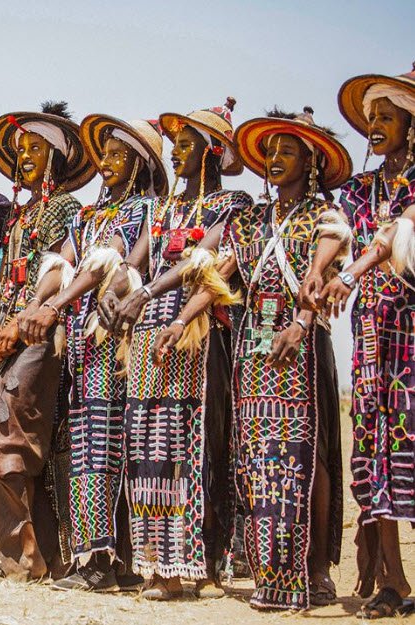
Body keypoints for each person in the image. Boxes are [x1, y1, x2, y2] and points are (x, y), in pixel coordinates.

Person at [157, 108, 351, 609]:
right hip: (253, 355)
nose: (275, 159)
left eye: (288, 151)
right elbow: (221, 278)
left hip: (300, 349)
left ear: (311, 161)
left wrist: (302, 319)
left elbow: (329, 251)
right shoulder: (249, 221)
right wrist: (181, 320)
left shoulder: (321, 216)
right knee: (258, 464)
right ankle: (271, 574)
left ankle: (314, 571)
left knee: (310, 459)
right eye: (271, 151)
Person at [107, 99, 253, 599]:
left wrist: (148, 293)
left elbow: (205, 261)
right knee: (145, 446)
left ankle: (188, 566)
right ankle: (154, 563)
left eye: (186, 145)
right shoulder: (164, 209)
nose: (176, 155)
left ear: (212, 153)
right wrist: (115, 288)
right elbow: (134, 263)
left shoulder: (233, 207)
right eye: (174, 146)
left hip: (195, 335)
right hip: (148, 338)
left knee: (189, 446)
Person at [18, 115, 167, 591]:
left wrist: (56, 305)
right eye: (103, 154)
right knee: (81, 448)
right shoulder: (84, 215)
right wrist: (36, 303)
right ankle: (91, 559)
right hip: (83, 346)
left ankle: (110, 563)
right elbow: (62, 263)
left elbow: (113, 260)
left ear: (139, 162)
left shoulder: (145, 210)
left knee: (111, 446)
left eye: (117, 155)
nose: (106, 163)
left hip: (118, 343)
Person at [0, 102, 94, 580]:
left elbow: (56, 274)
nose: (25, 157)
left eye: (36, 149)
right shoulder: (20, 215)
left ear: (56, 157)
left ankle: (26, 551)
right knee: (9, 438)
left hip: (42, 334)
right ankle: (33, 554)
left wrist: (19, 321)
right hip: (6, 333)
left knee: (3, 435)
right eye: (21, 150)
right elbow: (3, 278)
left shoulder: (67, 208)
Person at [318, 64, 415, 619]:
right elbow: (337, 228)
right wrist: (321, 269)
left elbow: (391, 235)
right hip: (372, 338)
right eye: (373, 116)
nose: (376, 124)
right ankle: (391, 581)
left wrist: (348, 275)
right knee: (375, 446)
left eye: (388, 116)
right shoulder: (359, 188)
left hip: (411, 332)